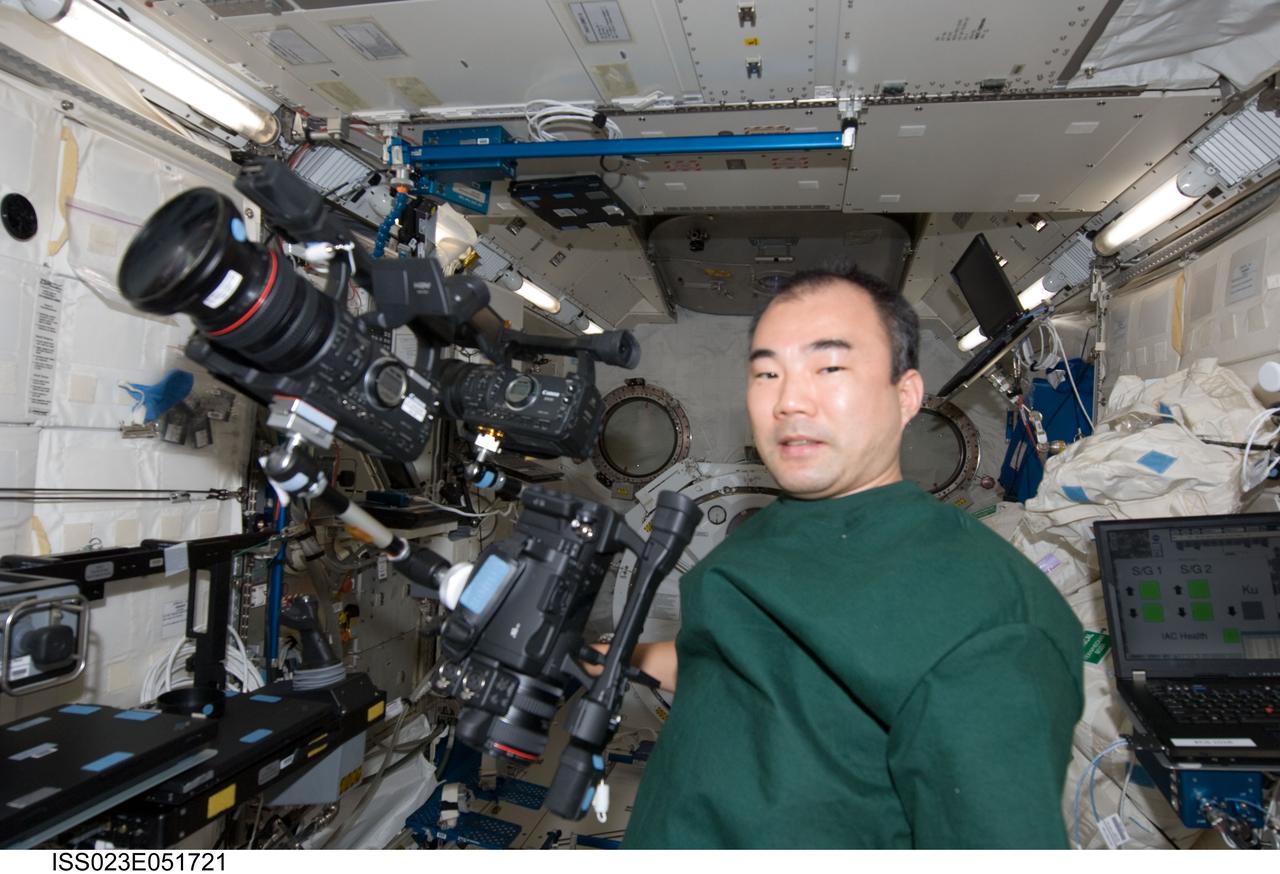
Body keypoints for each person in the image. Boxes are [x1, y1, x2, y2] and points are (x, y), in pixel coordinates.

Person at [617, 267, 1083, 848]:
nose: (788, 400)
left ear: (906, 395)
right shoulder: (778, 527)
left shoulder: (986, 612)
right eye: (767, 373)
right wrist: (605, 661)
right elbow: (740, 664)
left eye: (829, 368)